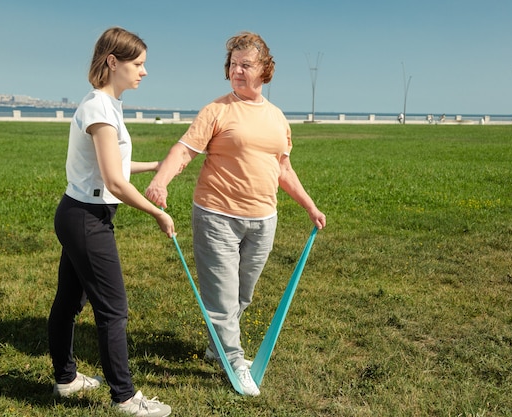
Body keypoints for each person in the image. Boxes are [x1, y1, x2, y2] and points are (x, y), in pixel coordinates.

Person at [145, 31, 326, 396]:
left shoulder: (277, 118)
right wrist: (161, 181)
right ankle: (235, 359)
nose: (237, 71)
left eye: (246, 64)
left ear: (265, 70)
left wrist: (309, 205)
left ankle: (217, 347)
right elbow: (183, 152)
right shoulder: (216, 110)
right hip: (216, 215)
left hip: (263, 220)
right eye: (232, 64)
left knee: (243, 294)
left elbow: (283, 170)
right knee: (221, 296)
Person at [47, 27, 173, 417]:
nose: (144, 72)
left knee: (69, 302)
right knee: (113, 310)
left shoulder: (107, 105)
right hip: (86, 219)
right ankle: (125, 397)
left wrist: (155, 165)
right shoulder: (98, 109)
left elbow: (114, 164)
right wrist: (156, 212)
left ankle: (66, 380)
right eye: (138, 64)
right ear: (112, 62)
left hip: (80, 214)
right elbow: (114, 181)